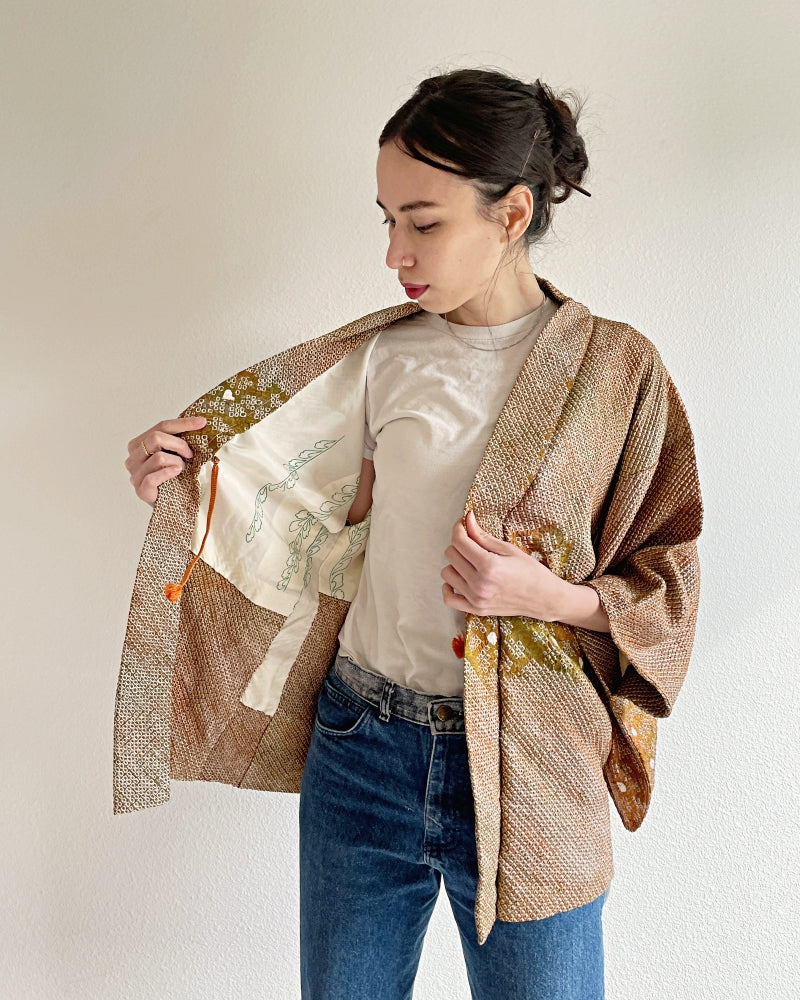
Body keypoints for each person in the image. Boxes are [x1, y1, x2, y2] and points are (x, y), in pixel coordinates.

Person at [119, 68, 703, 1000]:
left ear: (512, 213)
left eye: (423, 222)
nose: (396, 252)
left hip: (531, 765)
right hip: (363, 746)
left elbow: (667, 569)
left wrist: (543, 597)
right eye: (386, 220)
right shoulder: (379, 359)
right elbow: (312, 516)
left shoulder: (615, 371)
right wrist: (182, 473)